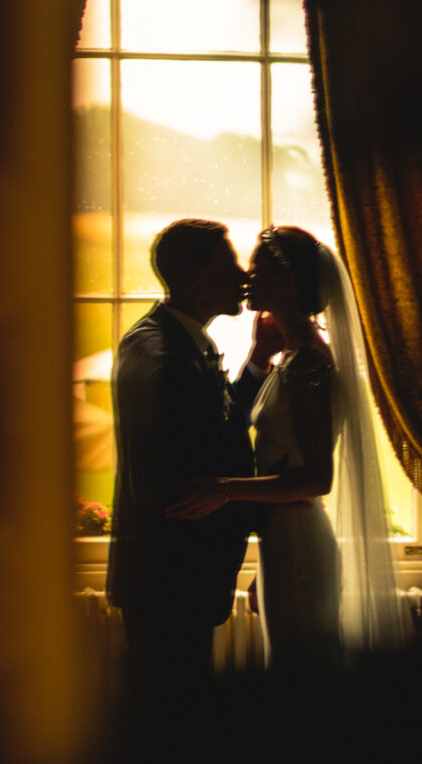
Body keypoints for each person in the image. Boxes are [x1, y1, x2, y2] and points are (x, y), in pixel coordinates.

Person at [166, 226, 409, 667]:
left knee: (301, 680)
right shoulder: (291, 359)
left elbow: (316, 478)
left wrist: (224, 488)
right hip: (282, 541)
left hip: (298, 543)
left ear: (289, 282)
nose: (245, 277)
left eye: (256, 269)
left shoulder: (310, 365)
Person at [106, 218, 274, 712]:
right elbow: (159, 478)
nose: (245, 275)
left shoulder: (182, 345)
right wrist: (251, 504)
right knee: (168, 719)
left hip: (181, 582)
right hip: (169, 582)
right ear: (200, 284)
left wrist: (260, 360)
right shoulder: (159, 356)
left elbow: (218, 426)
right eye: (232, 266)